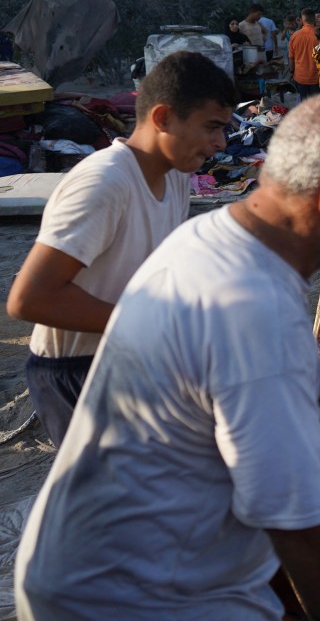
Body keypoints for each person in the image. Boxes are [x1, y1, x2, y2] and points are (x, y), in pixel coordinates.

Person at [15, 96, 320, 620]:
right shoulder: (256, 311)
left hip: (85, 572)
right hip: (133, 598)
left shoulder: (207, 237)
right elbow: (301, 528)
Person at [5, 52, 238, 447]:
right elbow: (29, 300)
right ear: (163, 118)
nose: (221, 142)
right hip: (78, 372)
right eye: (212, 127)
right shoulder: (105, 183)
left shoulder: (177, 176)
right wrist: (148, 323)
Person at [288, 8, 320, 99]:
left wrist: (291, 72)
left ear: (301, 20)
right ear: (314, 18)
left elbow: (291, 58)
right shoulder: (319, 34)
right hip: (316, 77)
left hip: (300, 76)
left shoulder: (294, 36)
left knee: (304, 102)